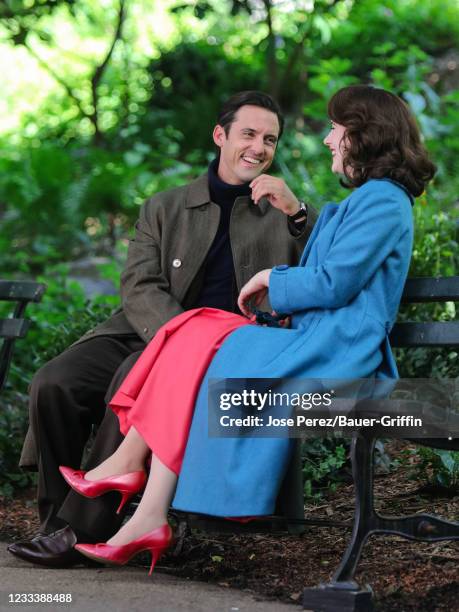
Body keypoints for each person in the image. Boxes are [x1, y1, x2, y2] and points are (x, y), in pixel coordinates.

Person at [56, 84, 436, 573]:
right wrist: (278, 301)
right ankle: (145, 506)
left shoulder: (385, 200)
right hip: (316, 339)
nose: (327, 140)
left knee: (199, 340)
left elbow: (335, 281)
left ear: (364, 136)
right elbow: (332, 277)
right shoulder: (370, 199)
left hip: (342, 352)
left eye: (336, 129)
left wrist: (269, 280)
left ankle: (133, 477)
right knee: (195, 331)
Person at [8, 91, 317, 567]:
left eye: (270, 139)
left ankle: (80, 531)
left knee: (129, 379)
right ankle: (54, 521)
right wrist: (175, 337)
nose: (259, 147)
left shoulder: (281, 211)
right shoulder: (165, 206)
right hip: (148, 329)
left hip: (222, 350)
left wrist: (296, 212)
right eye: (249, 134)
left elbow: (324, 269)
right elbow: (137, 284)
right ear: (220, 136)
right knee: (55, 382)